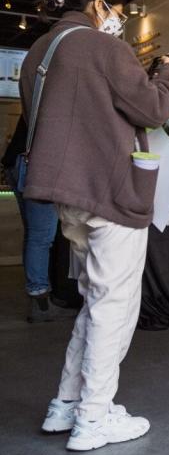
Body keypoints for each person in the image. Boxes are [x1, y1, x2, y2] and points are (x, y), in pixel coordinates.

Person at [20, 0, 169, 451]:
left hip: (68, 195)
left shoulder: (37, 54)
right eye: (119, 11)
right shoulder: (101, 47)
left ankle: (67, 405)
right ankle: (93, 416)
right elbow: (152, 109)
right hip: (110, 190)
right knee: (116, 304)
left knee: (97, 300)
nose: (121, 21)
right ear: (98, 7)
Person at [2, 116, 69, 322]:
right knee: (40, 237)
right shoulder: (57, 92)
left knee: (34, 235)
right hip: (37, 166)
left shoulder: (42, 87)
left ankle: (39, 294)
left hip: (18, 161)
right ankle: (40, 303)